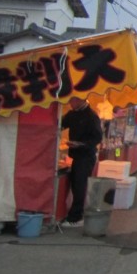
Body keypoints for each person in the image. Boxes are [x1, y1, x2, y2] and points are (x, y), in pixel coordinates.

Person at [60, 96, 102, 227]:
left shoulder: (91, 116)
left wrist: (81, 144)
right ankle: (74, 214)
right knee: (75, 184)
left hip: (86, 156)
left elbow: (97, 137)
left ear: (80, 101)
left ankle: (76, 217)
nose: (69, 103)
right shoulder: (72, 114)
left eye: (72, 101)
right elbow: (61, 123)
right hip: (75, 155)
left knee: (79, 186)